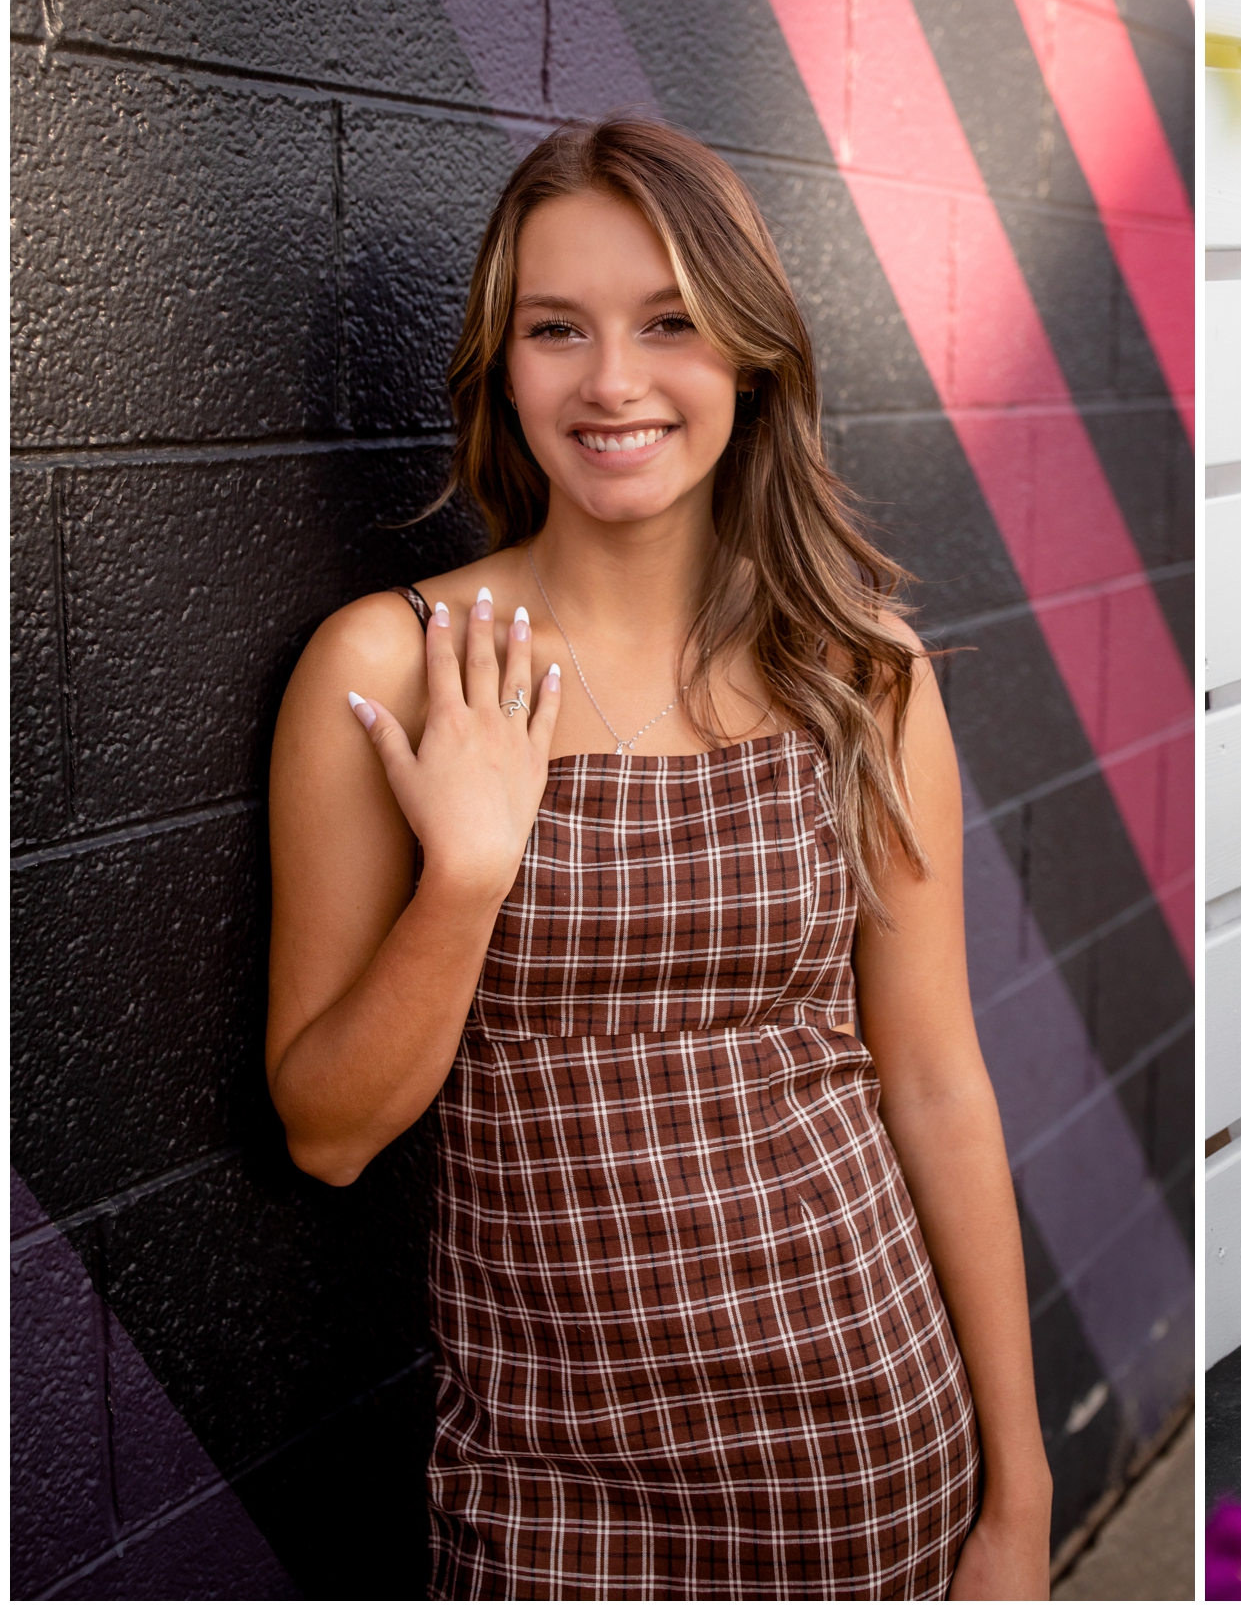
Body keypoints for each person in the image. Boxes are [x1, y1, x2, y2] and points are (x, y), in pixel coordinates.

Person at [264, 117, 1051, 1598]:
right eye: (558, 328)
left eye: (669, 324)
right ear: (505, 363)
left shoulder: (857, 669)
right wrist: (467, 874)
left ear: (747, 359)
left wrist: (1019, 1488)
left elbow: (937, 1079)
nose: (613, 382)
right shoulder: (393, 663)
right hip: (552, 1466)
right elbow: (329, 1129)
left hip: (866, 1432)